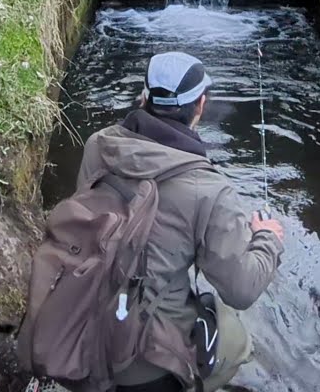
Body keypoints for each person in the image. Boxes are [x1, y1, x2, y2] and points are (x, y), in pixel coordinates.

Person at [77, 51, 285, 391]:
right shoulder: (210, 189)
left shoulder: (97, 146)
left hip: (83, 329)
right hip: (147, 363)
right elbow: (241, 289)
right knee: (236, 340)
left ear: (143, 97)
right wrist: (267, 239)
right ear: (200, 105)